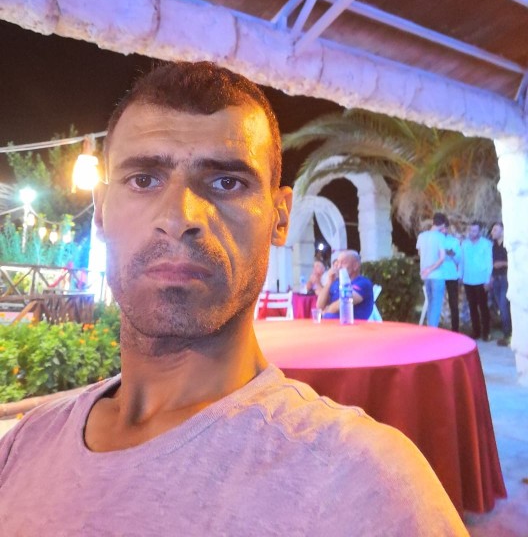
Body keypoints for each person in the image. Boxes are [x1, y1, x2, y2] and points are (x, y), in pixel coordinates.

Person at [0, 62, 467, 536]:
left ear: (279, 218)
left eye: (227, 183)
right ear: (101, 211)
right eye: (144, 179)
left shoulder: (365, 486)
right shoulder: (25, 444)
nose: (178, 217)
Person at [315, 249, 374, 320]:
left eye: (343, 263)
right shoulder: (336, 282)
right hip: (330, 324)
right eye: (338, 263)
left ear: (355, 266)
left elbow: (344, 301)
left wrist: (326, 310)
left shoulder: (363, 283)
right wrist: (329, 282)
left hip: (352, 325)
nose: (339, 266)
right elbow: (319, 305)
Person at [460, 221, 493, 341]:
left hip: (481, 280)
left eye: (474, 231)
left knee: (483, 307)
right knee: (472, 306)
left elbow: (489, 262)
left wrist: (488, 280)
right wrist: (460, 276)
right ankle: (476, 331)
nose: (472, 233)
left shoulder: (486, 244)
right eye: (471, 230)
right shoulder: (464, 244)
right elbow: (462, 261)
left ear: (480, 231)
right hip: (468, 280)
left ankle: (486, 332)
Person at [416, 213, 447, 327]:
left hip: (425, 275)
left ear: (433, 222)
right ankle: (433, 330)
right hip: (437, 275)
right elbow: (442, 258)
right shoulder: (440, 237)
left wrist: (426, 269)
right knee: (436, 305)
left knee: (430, 303)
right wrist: (430, 269)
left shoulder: (422, 236)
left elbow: (420, 253)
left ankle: (429, 329)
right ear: (443, 224)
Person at [438, 220, 462, 332]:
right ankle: (435, 328)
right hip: (438, 275)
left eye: (444, 228)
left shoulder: (454, 241)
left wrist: (452, 254)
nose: (442, 230)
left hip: (451, 275)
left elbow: (459, 259)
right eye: (440, 228)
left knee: (453, 303)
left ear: (447, 228)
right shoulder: (434, 241)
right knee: (436, 302)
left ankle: (455, 329)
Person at [490, 222, 511, 346]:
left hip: (505, 278)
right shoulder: (493, 246)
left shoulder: (508, 245)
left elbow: (516, 261)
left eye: (495, 229)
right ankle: (507, 332)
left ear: (502, 231)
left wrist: (502, 263)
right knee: (501, 307)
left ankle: (508, 335)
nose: (492, 232)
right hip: (496, 279)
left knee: (504, 307)